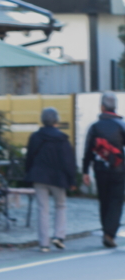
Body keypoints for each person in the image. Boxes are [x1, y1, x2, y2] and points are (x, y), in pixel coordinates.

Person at [24, 107, 77, 252]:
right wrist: (72, 180)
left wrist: (28, 174)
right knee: (60, 205)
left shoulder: (35, 137)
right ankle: (59, 236)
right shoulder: (62, 138)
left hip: (39, 176)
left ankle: (43, 243)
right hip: (57, 178)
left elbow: (29, 158)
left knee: (42, 209)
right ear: (57, 121)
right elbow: (68, 161)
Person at [82, 92, 125, 247]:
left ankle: (106, 230)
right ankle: (109, 233)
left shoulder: (94, 127)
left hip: (100, 169)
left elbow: (88, 151)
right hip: (118, 169)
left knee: (104, 200)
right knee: (116, 201)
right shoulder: (121, 125)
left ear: (101, 107)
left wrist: (85, 171)